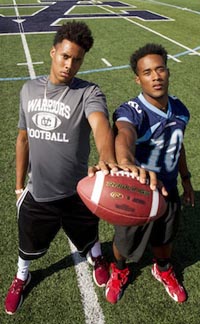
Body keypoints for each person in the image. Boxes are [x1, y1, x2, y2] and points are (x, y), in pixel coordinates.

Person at [5, 20, 117, 315]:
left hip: (78, 191)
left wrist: (106, 155)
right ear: (53, 52)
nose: (70, 65)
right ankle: (21, 276)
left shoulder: (88, 93)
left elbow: (101, 126)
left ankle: (96, 256)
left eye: (77, 59)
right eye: (66, 56)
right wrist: (19, 186)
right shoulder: (29, 90)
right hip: (39, 191)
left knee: (89, 231)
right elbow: (23, 139)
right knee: (26, 244)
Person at [105, 43, 194, 304]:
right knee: (123, 244)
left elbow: (178, 145)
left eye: (160, 69)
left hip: (168, 188)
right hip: (137, 193)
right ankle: (119, 270)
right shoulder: (132, 110)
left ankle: (163, 268)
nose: (155, 76)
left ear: (168, 72)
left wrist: (186, 179)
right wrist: (126, 162)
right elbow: (124, 134)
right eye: (147, 72)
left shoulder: (180, 110)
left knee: (165, 240)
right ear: (138, 78)